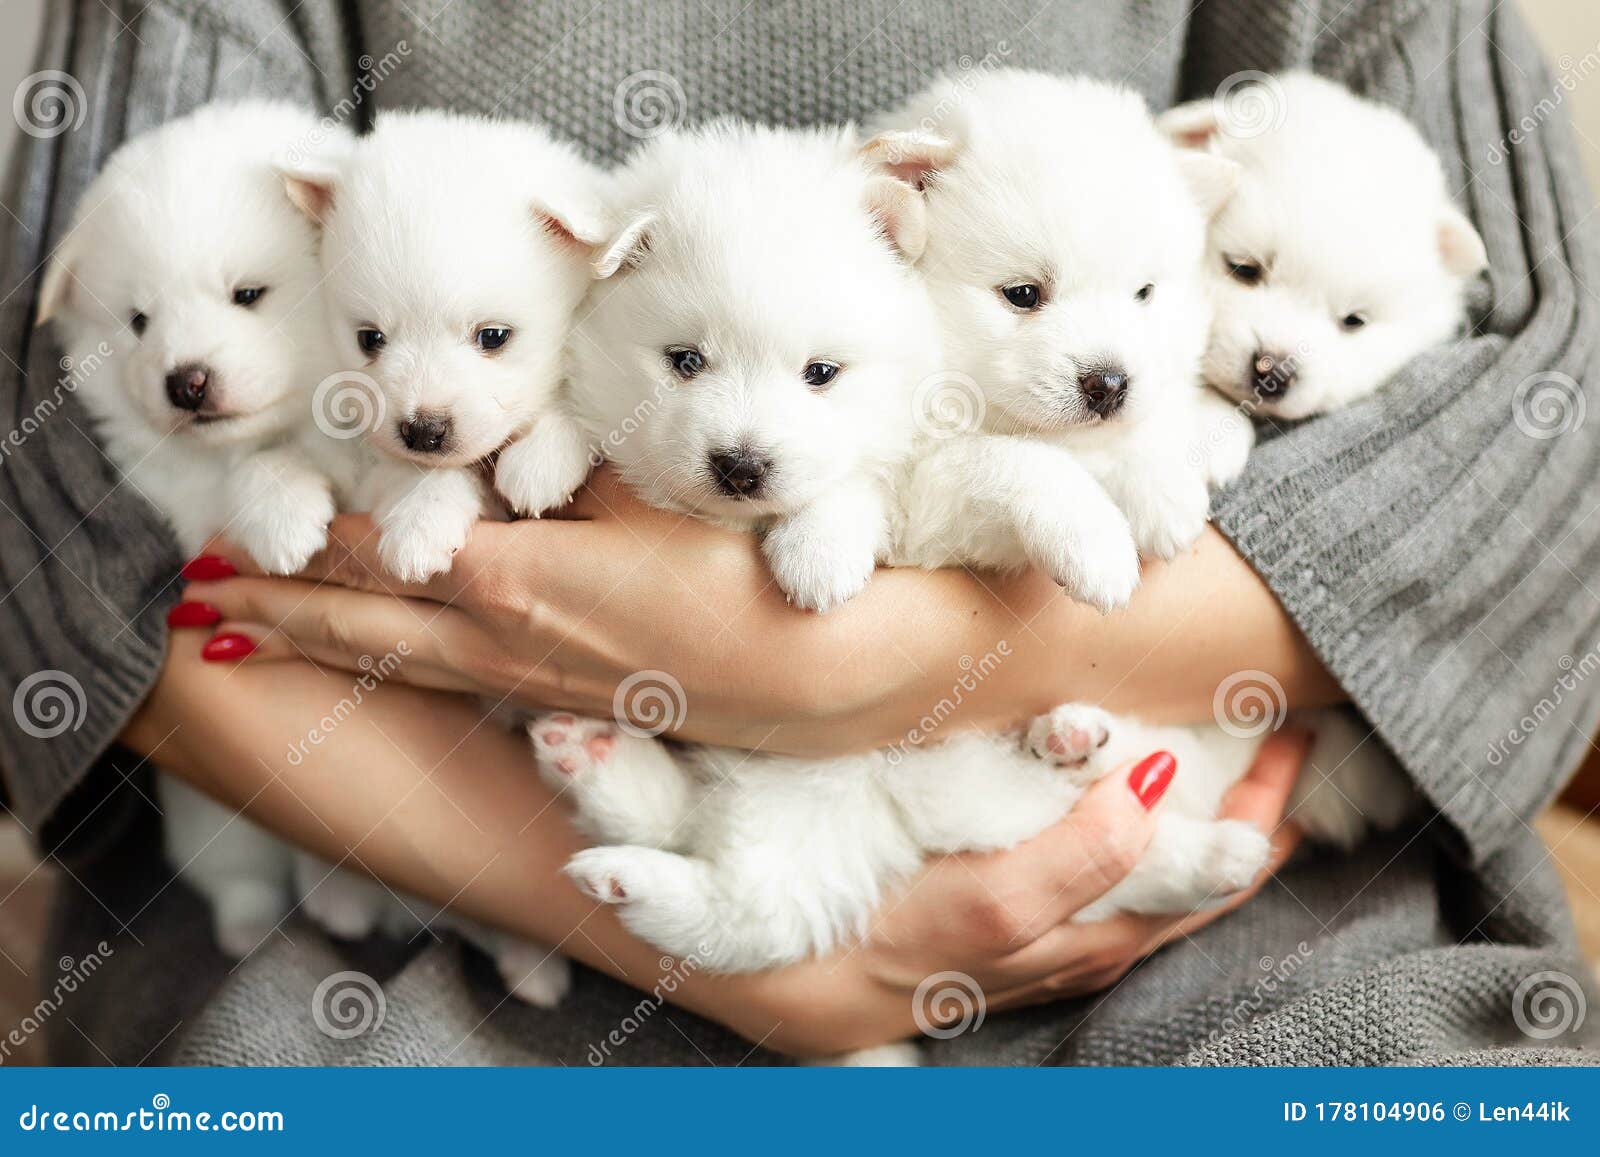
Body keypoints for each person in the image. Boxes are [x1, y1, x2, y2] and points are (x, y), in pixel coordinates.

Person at [1, 0, 1595, 1065]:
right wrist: (739, 950)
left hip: (1220, 882)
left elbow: (1550, 396)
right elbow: (60, 462)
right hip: (402, 827)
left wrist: (912, 659)